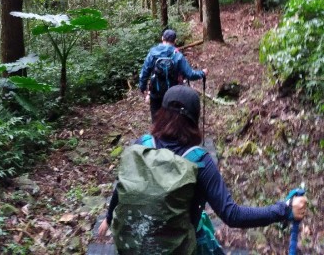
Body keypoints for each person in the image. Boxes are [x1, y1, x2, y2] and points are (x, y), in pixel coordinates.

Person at [98, 85, 307, 253]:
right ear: (194, 120)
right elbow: (231, 214)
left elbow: (122, 186)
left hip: (135, 244)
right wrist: (284, 208)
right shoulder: (199, 161)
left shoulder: (141, 145)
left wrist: (108, 219)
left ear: (161, 113)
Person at [139, 28, 208, 121]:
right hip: (174, 93)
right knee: (172, 121)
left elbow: (144, 72)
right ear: (175, 41)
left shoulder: (152, 53)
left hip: (156, 93)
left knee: (156, 122)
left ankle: (157, 134)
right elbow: (190, 74)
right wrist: (202, 73)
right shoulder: (178, 55)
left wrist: (143, 88)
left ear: (162, 38)